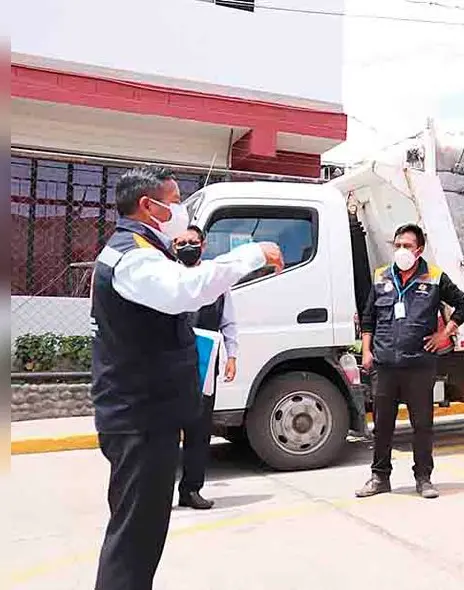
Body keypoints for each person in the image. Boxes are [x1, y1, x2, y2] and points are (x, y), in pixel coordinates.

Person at [90, 165, 283, 590]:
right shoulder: (134, 258)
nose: (180, 210)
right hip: (139, 418)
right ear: (148, 206)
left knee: (139, 535)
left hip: (142, 413)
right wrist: (252, 254)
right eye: (174, 201)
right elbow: (187, 290)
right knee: (134, 540)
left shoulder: (138, 250)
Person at [355, 223, 464, 499]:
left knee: (422, 425)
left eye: (407, 246)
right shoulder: (381, 277)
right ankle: (379, 477)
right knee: (382, 426)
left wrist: (445, 334)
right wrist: (367, 351)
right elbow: (369, 317)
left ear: (419, 250)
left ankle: (424, 478)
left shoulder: (434, 277)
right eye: (397, 245)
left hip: (419, 365)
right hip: (384, 364)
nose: (401, 250)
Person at [172, 225, 241, 510]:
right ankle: (159, 493)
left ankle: (191, 489)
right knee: (164, 432)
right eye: (181, 242)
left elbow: (229, 322)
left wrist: (232, 356)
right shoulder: (166, 277)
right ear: (174, 246)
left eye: (192, 241)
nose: (187, 246)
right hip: (168, 364)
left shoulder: (216, 281)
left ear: (203, 245)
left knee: (198, 430)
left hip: (203, 363)